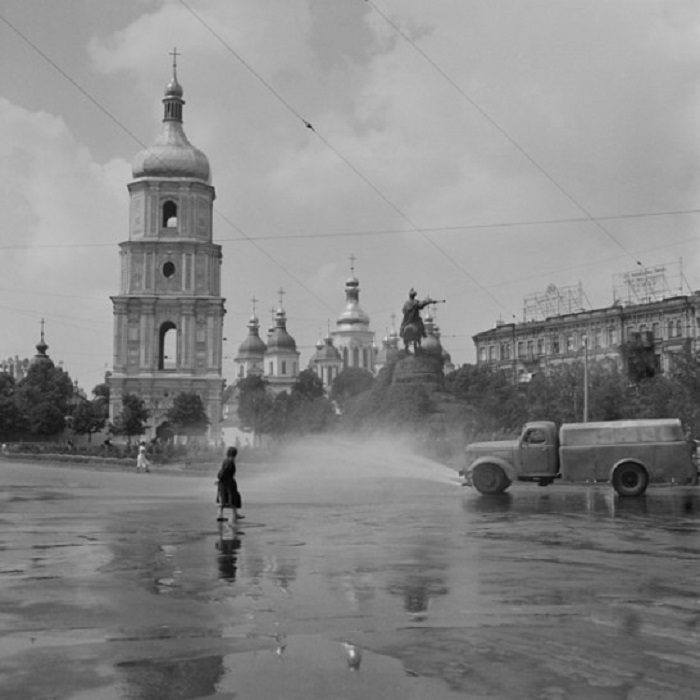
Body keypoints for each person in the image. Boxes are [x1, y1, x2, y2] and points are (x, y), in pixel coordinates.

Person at [217, 446, 243, 522]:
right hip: (228, 482)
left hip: (223, 482)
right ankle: (235, 514)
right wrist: (222, 478)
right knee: (234, 497)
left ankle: (220, 515)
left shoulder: (225, 460)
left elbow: (222, 471)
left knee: (223, 498)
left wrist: (220, 479)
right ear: (235, 454)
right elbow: (225, 472)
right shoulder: (230, 461)